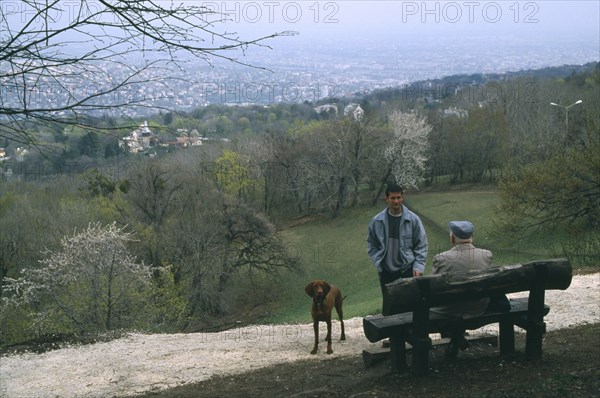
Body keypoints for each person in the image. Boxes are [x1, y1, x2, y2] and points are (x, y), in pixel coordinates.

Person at [430, 220, 493, 357]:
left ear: (452, 238)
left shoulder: (441, 258)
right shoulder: (486, 255)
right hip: (477, 308)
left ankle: (455, 337)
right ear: (472, 237)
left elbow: (432, 289)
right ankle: (457, 337)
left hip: (448, 310)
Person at [367, 183, 428, 300]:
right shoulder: (376, 221)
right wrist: (378, 261)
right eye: (393, 198)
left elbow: (421, 246)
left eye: (398, 197)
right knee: (390, 307)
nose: (396, 201)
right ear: (386, 199)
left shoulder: (413, 219)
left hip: (407, 270)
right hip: (386, 272)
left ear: (402, 197)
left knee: (409, 305)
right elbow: (371, 244)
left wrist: (418, 267)